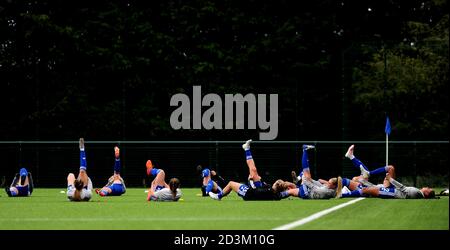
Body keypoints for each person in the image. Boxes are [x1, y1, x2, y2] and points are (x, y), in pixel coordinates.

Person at [338, 144, 435, 199]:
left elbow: (403, 188)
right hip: (390, 188)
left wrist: (390, 179)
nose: (427, 187)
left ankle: (343, 194)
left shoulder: (418, 193)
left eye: (428, 188)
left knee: (360, 184)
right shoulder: (417, 192)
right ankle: (354, 160)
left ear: (426, 193)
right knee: (390, 168)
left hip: (391, 191)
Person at [208, 139, 282, 201]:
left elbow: (255, 190)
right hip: (254, 191)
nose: (278, 181)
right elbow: (290, 191)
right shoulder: (273, 191)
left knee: (231, 184)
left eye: (278, 182)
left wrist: (250, 181)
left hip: (249, 194)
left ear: (276, 185)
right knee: (253, 170)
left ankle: (218, 196)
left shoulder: (268, 191)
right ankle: (247, 149)